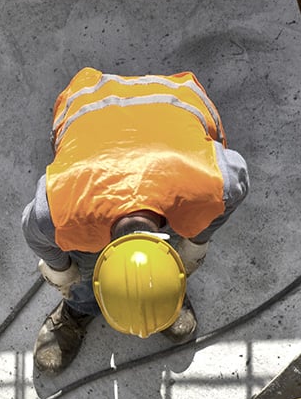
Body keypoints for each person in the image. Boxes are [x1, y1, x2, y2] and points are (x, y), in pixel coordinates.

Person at [22, 68, 250, 374]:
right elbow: (34, 231)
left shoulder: (211, 184)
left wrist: (197, 242)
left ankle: (158, 294)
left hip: (178, 97)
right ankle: (80, 306)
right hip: (89, 101)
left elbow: (236, 181)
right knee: (81, 264)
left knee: (180, 227)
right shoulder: (60, 212)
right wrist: (63, 272)